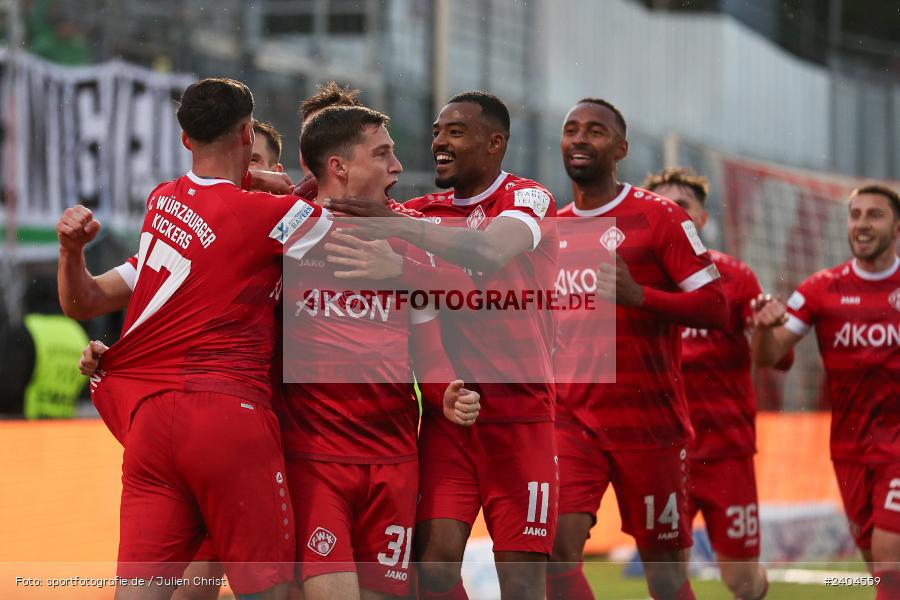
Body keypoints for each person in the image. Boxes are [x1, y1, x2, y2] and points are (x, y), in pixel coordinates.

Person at [87, 77, 330, 600]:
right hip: (227, 415)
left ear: (184, 139)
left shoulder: (162, 200)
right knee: (268, 589)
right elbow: (331, 229)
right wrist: (280, 188)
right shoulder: (271, 216)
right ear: (246, 135)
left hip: (152, 420)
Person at [324, 91, 559, 600]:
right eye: (436, 132)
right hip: (449, 415)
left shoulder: (525, 198)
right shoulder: (420, 211)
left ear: (494, 143)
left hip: (521, 417)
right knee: (431, 567)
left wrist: (401, 251)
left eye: (455, 132)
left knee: (521, 583)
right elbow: (339, 197)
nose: (438, 144)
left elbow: (491, 252)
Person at [282, 104, 480, 600]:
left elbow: (432, 354)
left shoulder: (403, 238)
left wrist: (445, 395)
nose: (397, 166)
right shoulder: (285, 233)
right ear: (339, 167)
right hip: (316, 459)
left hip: (394, 461)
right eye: (383, 153)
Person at [548, 99, 727, 600]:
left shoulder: (660, 218)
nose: (581, 138)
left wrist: (639, 297)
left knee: (667, 580)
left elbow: (716, 308)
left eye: (596, 131)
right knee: (555, 550)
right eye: (571, 130)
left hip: (649, 426)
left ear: (621, 148)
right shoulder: (552, 230)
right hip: (573, 421)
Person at [644, 167, 791, 600]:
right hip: (664, 455)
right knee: (667, 581)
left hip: (727, 452)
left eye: (682, 206)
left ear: (703, 218)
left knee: (740, 582)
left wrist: (766, 327)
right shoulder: (634, 281)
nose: (672, 214)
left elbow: (777, 358)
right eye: (662, 206)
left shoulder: (735, 278)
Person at [751, 184, 900, 598]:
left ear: (897, 225)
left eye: (875, 214)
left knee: (890, 557)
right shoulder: (821, 288)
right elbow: (769, 355)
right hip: (849, 447)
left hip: (898, 445)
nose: (862, 224)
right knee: (879, 567)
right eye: (856, 215)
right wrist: (763, 329)